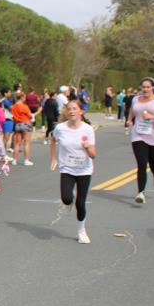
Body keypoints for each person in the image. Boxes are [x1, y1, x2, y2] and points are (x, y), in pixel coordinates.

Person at [50, 100, 97, 244]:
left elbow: (93, 155)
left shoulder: (88, 129)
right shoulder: (60, 128)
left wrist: (87, 147)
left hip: (84, 170)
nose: (71, 111)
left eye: (75, 109)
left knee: (80, 203)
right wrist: (54, 158)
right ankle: (69, 199)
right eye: (69, 109)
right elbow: (53, 140)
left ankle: (81, 231)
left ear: (81, 112)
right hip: (67, 168)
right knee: (66, 198)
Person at [124, 77, 154, 204]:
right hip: (138, 134)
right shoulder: (136, 99)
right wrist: (129, 120)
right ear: (140, 88)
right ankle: (141, 193)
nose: (145, 89)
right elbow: (132, 109)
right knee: (141, 163)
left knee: (153, 163)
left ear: (153, 88)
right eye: (143, 87)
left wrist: (153, 117)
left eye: (148, 87)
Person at [11, 91, 35, 166]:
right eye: (24, 97)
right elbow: (30, 116)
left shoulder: (13, 106)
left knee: (17, 143)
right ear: (22, 97)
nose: (25, 98)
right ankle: (26, 160)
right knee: (27, 142)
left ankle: (14, 160)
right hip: (26, 123)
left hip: (17, 124)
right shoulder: (24, 106)